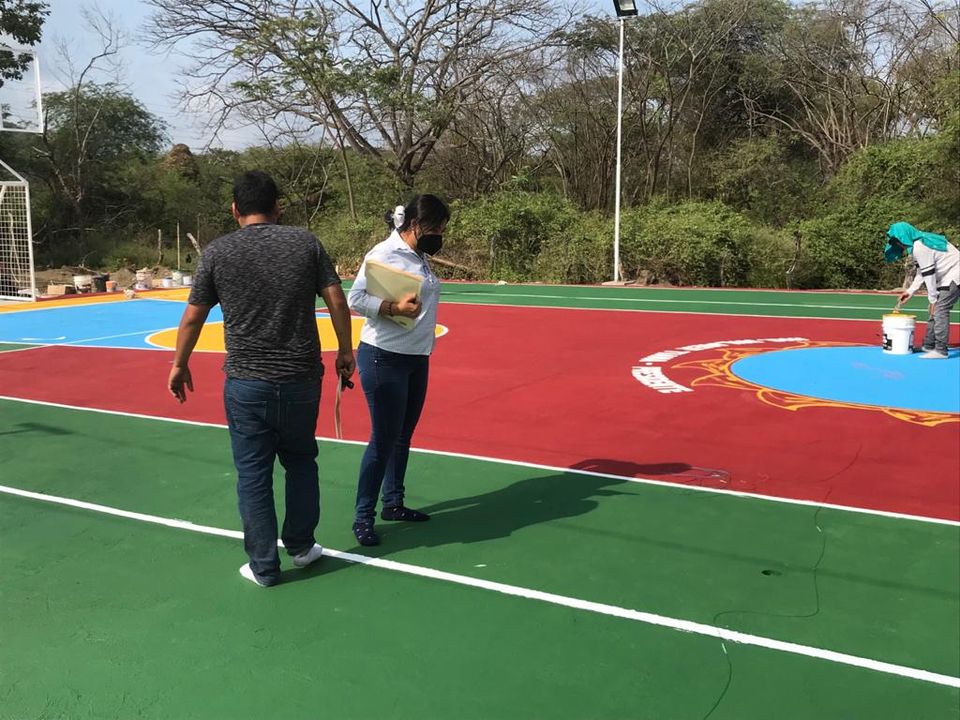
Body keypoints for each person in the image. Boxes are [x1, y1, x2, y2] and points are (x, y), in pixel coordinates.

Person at [167, 171, 355, 586]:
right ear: (278, 206)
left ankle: (264, 566)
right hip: (302, 377)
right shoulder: (306, 243)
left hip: (247, 382)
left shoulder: (217, 252)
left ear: (235, 209)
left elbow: (193, 317)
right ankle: (302, 547)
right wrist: (345, 350)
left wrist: (180, 364)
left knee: (253, 475)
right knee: (301, 461)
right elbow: (337, 300)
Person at [346, 195, 450, 546]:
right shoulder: (384, 254)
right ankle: (363, 516)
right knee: (383, 439)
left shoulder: (419, 256)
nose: (440, 236)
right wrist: (392, 308)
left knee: (402, 435)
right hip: (383, 357)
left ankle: (393, 502)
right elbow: (356, 298)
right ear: (416, 225)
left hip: (416, 356)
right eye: (436, 228)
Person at [885, 221, 960, 359]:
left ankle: (941, 350)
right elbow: (922, 273)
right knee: (934, 310)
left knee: (940, 309)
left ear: (905, 236)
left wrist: (933, 300)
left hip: (954, 274)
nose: (899, 245)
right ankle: (929, 345)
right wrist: (910, 291)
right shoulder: (919, 242)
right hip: (947, 275)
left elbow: (929, 275)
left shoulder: (920, 247)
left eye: (898, 241)